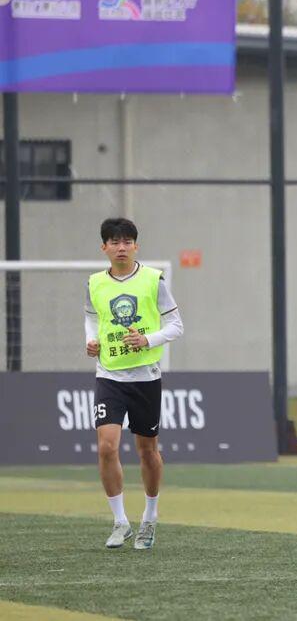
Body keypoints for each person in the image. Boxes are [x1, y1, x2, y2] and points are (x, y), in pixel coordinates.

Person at [86, 217, 184, 550]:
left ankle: (149, 518)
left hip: (145, 376)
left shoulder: (153, 280)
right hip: (109, 374)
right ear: (104, 247)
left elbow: (176, 326)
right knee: (106, 447)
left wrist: (147, 340)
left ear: (136, 246)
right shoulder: (95, 283)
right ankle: (120, 522)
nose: (121, 247)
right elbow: (91, 317)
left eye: (127, 241)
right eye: (115, 242)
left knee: (147, 451)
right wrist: (91, 341)